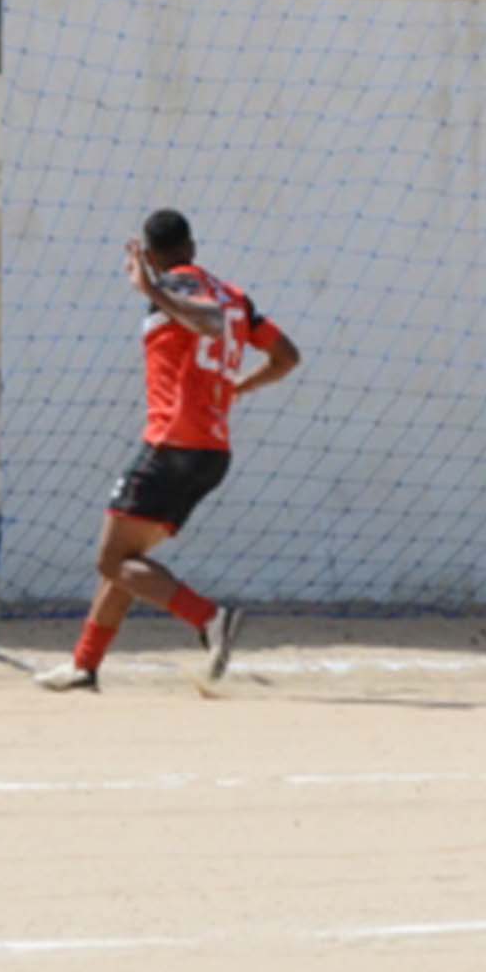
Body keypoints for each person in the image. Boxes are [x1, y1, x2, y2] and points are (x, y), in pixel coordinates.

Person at [34, 209, 300, 693]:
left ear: (151, 258)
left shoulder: (174, 291)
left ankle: (211, 619)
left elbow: (211, 322)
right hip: (213, 450)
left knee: (113, 561)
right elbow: (287, 356)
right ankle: (84, 665)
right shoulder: (238, 298)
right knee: (128, 561)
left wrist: (151, 290)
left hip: (173, 444)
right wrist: (239, 388)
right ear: (193, 247)